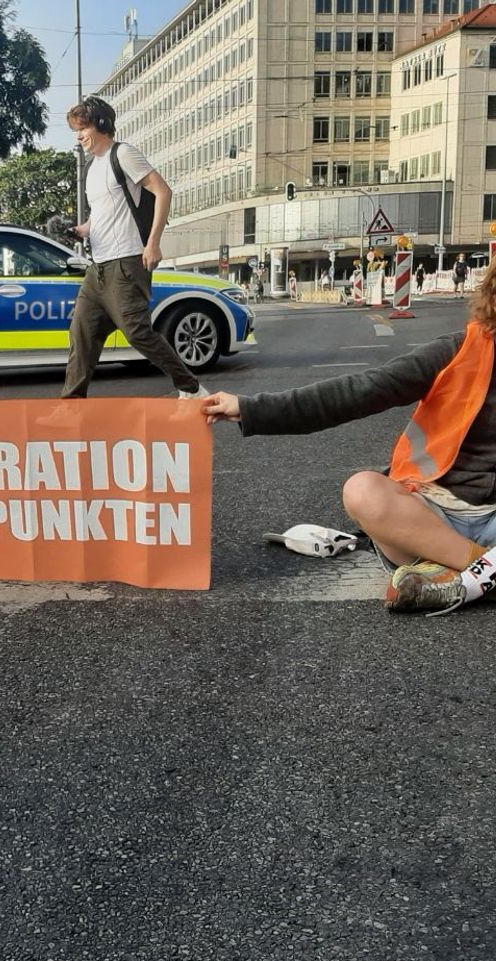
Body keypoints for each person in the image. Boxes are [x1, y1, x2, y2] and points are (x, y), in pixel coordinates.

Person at [199, 259, 496, 616]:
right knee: (363, 492)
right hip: (431, 517)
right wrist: (250, 408)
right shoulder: (457, 353)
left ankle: (449, 575)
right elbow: (357, 392)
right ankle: (479, 570)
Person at [61, 97, 205, 400]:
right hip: (97, 268)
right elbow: (101, 215)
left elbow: (163, 191)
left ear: (100, 124)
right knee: (81, 334)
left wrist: (152, 243)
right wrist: (80, 229)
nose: (79, 136)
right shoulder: (91, 169)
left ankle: (190, 387)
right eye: (76, 130)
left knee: (137, 333)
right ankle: (71, 406)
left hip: (127, 262)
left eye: (82, 128)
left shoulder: (122, 154)